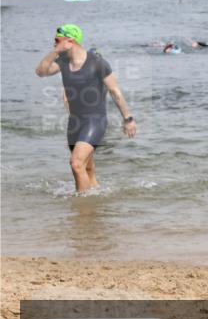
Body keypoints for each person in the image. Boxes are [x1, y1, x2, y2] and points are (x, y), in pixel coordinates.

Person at [34, 24, 137, 193]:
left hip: (95, 121)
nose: (54, 43)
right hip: (74, 124)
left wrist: (128, 119)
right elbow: (41, 72)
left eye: (57, 40)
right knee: (86, 169)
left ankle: (83, 211)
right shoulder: (62, 62)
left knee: (76, 164)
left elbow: (115, 92)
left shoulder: (97, 63)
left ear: (70, 41)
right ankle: (95, 203)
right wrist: (55, 52)